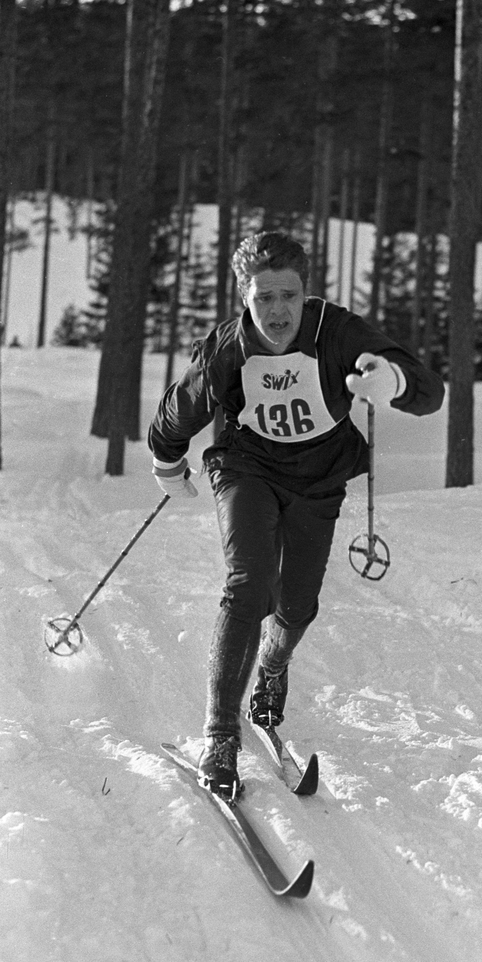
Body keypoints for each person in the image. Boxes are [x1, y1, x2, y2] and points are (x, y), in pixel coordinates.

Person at [148, 231, 444, 799]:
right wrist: (166, 460)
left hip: (319, 478)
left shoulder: (338, 332)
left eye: (289, 295)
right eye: (264, 298)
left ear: (305, 292)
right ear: (244, 296)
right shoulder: (228, 349)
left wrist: (393, 382)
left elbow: (429, 391)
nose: (277, 310)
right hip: (247, 466)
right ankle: (220, 734)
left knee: (297, 605)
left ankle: (274, 667)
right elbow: (180, 408)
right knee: (248, 584)